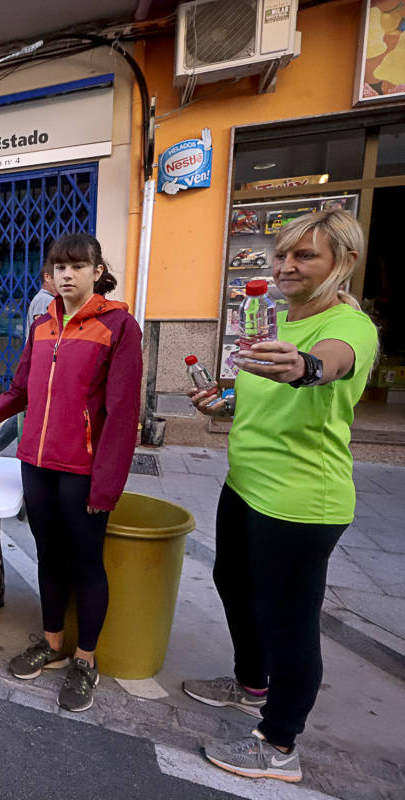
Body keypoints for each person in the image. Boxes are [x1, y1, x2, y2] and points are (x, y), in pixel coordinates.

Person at [182, 210, 378, 784]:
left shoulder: (350, 327)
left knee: (289, 620)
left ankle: (279, 743)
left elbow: (330, 364)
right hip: (246, 484)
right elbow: (265, 395)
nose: (288, 266)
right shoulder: (275, 320)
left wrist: (307, 367)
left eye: (306, 256)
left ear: (342, 263)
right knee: (232, 585)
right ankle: (250, 684)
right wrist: (228, 400)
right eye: (282, 255)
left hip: (300, 500)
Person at [0, 232, 142, 713]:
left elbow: (122, 415)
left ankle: (85, 659)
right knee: (49, 558)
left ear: (97, 271)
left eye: (77, 266)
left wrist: (107, 484)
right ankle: (52, 642)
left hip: (82, 470)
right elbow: (19, 391)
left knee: (85, 564)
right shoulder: (41, 325)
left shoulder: (119, 327)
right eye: (59, 267)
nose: (67, 274)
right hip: (36, 465)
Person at [0, 265, 58, 457]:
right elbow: (45, 335)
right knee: (25, 409)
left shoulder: (47, 300)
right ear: (47, 277)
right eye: (59, 273)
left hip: (39, 363)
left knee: (25, 409)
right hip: (40, 364)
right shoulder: (44, 300)